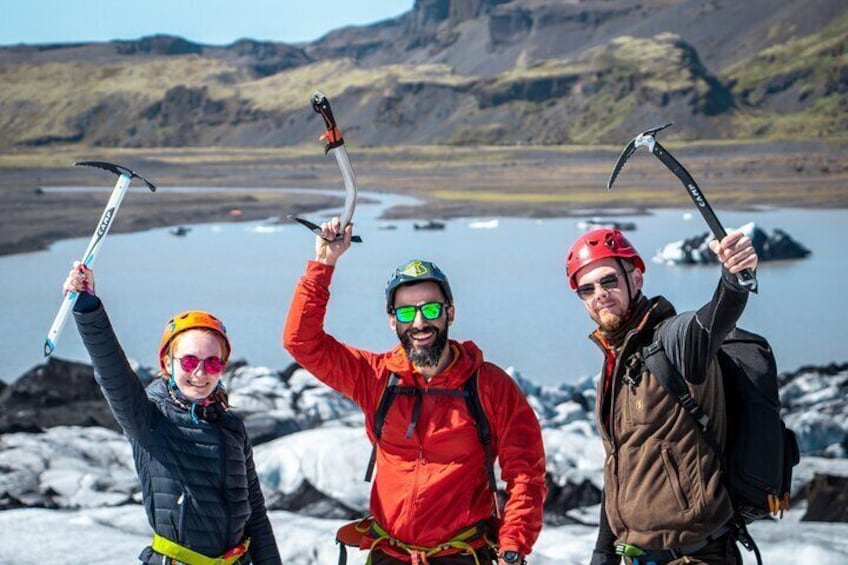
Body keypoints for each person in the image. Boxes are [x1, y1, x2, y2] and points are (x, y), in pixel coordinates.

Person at [283, 218, 547, 565]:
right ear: (393, 320)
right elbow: (301, 342)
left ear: (450, 312)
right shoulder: (376, 377)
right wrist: (324, 263)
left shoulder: (489, 385)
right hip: (389, 553)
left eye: (431, 308)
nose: (420, 322)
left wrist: (514, 543)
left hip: (461, 555)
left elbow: (525, 471)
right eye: (407, 311)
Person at [64, 261, 282, 565]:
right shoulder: (149, 418)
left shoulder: (231, 427)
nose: (201, 373)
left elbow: (255, 513)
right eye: (190, 361)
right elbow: (112, 372)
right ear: (168, 363)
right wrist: (88, 307)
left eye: (213, 363)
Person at [564, 228, 759, 565]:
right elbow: (620, 466)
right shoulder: (616, 364)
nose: (600, 295)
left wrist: (734, 279)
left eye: (609, 281)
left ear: (636, 278)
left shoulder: (673, 340)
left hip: (696, 555)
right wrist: (603, 551)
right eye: (587, 289)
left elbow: (712, 321)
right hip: (637, 555)